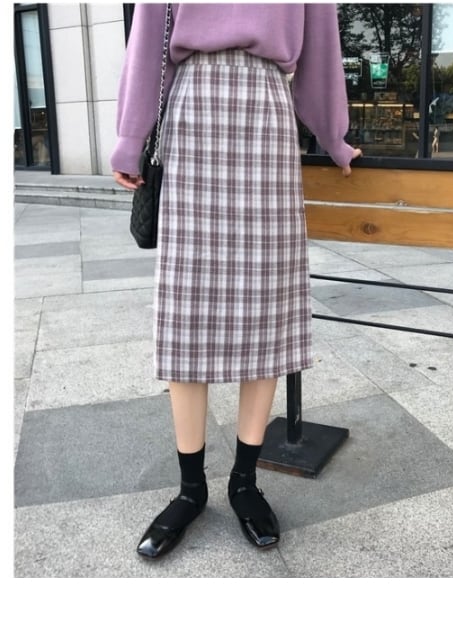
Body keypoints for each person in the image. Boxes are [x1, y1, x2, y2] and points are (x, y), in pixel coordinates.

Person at [111, 3, 362, 559]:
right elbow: (148, 42)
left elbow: (321, 49)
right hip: (192, 115)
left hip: (267, 116)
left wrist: (335, 137)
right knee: (187, 311)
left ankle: (244, 483)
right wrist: (130, 139)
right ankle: (191, 489)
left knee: (266, 309)